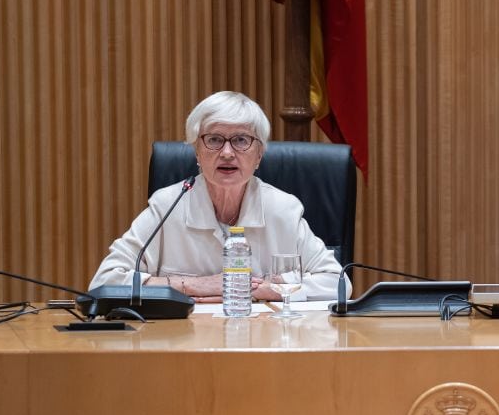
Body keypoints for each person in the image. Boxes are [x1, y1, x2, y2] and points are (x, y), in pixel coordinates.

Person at [90, 91, 350, 303]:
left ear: (259, 155)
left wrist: (257, 289)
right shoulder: (168, 206)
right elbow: (104, 281)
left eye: (241, 140)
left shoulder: (282, 209)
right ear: (197, 152)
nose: (227, 152)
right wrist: (197, 285)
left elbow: (338, 284)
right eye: (214, 139)